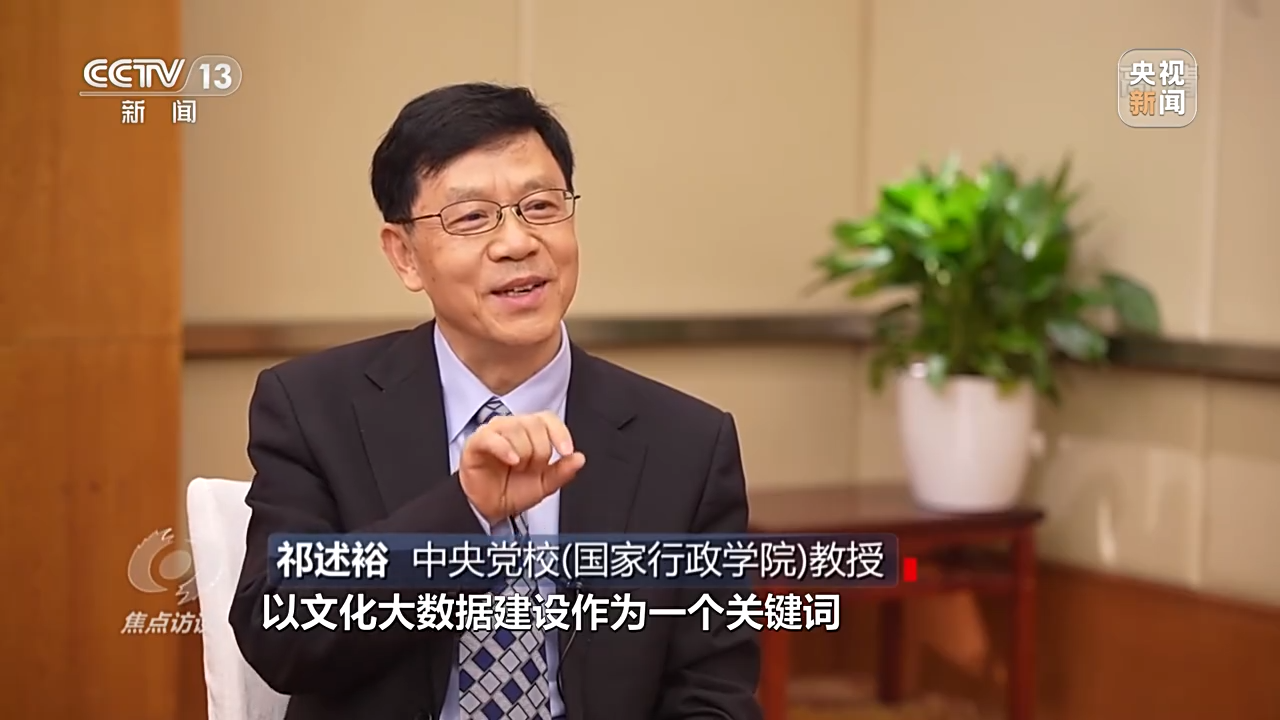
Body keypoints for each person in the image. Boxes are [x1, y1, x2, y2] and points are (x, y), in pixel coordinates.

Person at [229, 82, 762, 720]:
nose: (516, 242)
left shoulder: (687, 443)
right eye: (472, 218)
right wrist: (465, 509)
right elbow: (280, 636)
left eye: (541, 206)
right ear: (404, 256)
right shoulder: (314, 407)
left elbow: (713, 693)